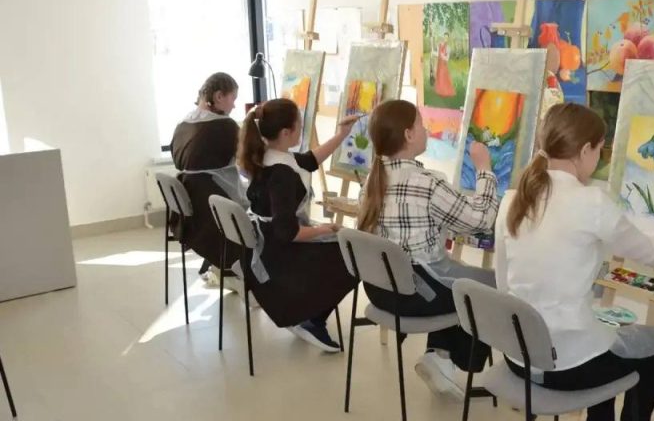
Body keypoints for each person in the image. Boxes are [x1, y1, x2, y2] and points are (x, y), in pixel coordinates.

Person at [495, 103, 654, 421]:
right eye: (600, 149)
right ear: (585, 150)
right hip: (568, 369)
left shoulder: (512, 199)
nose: (599, 158)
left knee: (598, 326)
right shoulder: (592, 203)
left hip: (520, 358)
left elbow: (504, 286)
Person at [357, 99, 498, 397]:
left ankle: (439, 354)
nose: (426, 129)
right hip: (416, 295)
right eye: (421, 124)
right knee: (495, 285)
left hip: (382, 291)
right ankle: (449, 359)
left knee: (453, 273)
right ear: (409, 134)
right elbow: (482, 220)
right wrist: (484, 169)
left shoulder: (371, 180)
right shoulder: (428, 183)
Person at [237, 98, 361, 352]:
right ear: (286, 132)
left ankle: (308, 313)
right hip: (278, 254)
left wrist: (342, 134)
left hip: (264, 243)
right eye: (299, 125)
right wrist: (325, 229)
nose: (302, 129)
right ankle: (312, 320)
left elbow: (310, 160)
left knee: (339, 246)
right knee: (353, 257)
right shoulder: (281, 174)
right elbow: (288, 232)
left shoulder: (267, 155)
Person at [169, 72, 247, 290]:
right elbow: (247, 159)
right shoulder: (224, 126)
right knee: (257, 202)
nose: (234, 105)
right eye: (233, 98)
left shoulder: (183, 123)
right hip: (213, 203)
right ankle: (238, 269)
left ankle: (219, 266)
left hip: (191, 204)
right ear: (219, 96)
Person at [433, 33, 455, 98]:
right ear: (443, 37)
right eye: (444, 37)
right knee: (439, 78)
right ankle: (440, 91)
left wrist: (442, 55)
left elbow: (447, 59)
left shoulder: (448, 47)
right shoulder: (439, 45)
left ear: (448, 39)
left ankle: (444, 92)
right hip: (439, 64)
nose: (445, 39)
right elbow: (438, 54)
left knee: (443, 78)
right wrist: (433, 52)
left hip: (443, 65)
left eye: (446, 38)